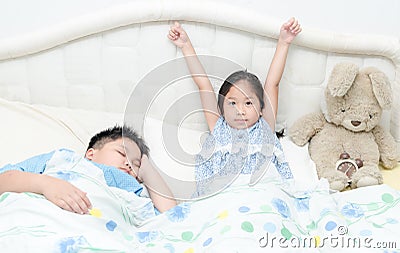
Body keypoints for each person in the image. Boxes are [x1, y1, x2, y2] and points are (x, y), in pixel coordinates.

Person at [168, 18, 302, 195]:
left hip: (263, 193)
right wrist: (185, 45)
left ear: (262, 107)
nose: (240, 110)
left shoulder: (265, 125)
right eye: (232, 103)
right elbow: (203, 84)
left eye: (248, 103)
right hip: (226, 196)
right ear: (222, 108)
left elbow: (272, 83)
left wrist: (284, 42)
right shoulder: (218, 126)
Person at [0, 125, 177, 214]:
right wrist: (46, 184)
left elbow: (171, 216)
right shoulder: (64, 159)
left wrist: (148, 172)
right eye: (122, 153)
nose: (129, 164)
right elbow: (4, 179)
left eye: (136, 163)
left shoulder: (133, 187)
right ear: (91, 153)